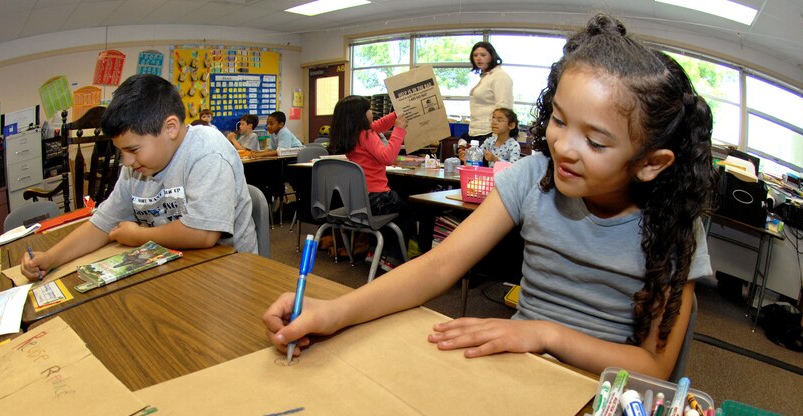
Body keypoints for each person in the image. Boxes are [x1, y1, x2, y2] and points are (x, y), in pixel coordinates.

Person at [263, 13, 716, 380]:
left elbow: (654, 366)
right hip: (517, 369)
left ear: (651, 162)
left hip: (605, 396)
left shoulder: (674, 222)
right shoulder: (534, 176)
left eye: (596, 142)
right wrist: (337, 311)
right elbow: (440, 264)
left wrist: (545, 334)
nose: (563, 147)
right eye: (558, 120)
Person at [20, 73, 257, 281]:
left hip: (231, 274)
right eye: (121, 152)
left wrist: (139, 236)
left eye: (132, 150)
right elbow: (103, 224)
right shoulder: (137, 166)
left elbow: (203, 234)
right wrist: (50, 258)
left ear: (170, 128)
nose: (127, 162)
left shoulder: (208, 151)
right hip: (178, 269)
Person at [327, 95, 410, 269]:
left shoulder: (351, 135)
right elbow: (388, 157)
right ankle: (392, 258)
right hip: (378, 198)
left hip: (357, 199)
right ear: (361, 115)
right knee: (408, 212)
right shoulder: (366, 135)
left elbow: (378, 125)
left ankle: (374, 252)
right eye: (369, 109)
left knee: (391, 213)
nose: (372, 112)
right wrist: (399, 130)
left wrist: (397, 114)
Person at [465, 41, 514, 145]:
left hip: (489, 133)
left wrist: (497, 138)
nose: (478, 58)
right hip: (478, 131)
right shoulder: (486, 76)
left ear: (492, 56)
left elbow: (504, 107)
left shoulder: (500, 76)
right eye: (475, 55)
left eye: (483, 55)